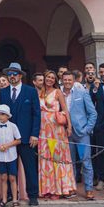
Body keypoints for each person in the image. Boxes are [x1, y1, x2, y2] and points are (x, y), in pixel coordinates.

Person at [0, 62, 41, 207]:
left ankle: (33, 195)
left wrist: (35, 134)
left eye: (14, 74)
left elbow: (36, 114)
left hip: (27, 136)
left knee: (30, 167)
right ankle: (11, 195)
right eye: (9, 74)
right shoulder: (3, 92)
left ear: (20, 75)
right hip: (8, 138)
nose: (11, 76)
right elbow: (1, 115)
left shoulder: (30, 91)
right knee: (10, 168)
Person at [38, 70, 75, 199]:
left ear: (55, 80)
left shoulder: (57, 92)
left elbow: (65, 109)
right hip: (42, 129)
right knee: (45, 158)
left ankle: (60, 189)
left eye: (52, 78)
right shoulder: (39, 92)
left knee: (57, 157)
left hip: (56, 129)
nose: (50, 79)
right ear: (44, 77)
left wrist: (69, 126)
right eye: (48, 77)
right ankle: (47, 188)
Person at [62, 70, 97, 200]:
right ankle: (71, 188)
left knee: (85, 161)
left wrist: (87, 129)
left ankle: (88, 189)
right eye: (65, 80)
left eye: (69, 80)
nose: (67, 82)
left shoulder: (82, 92)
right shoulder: (59, 93)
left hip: (81, 133)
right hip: (66, 134)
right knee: (69, 162)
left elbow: (93, 113)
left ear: (73, 80)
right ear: (62, 80)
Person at [0, 104, 21, 207]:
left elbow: (18, 140)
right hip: (1, 156)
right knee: (3, 177)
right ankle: (4, 199)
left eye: (3, 114)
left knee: (12, 178)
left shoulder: (13, 126)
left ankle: (15, 200)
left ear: (8, 116)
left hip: (11, 155)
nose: (1, 117)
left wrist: (7, 145)